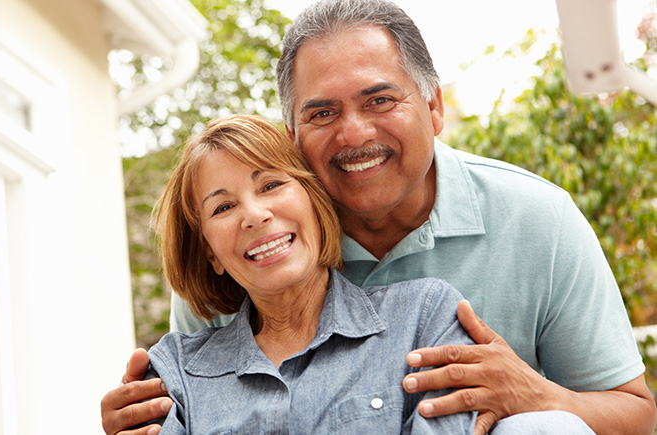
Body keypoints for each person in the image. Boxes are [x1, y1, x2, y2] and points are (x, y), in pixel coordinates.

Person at [101, 1, 656, 434]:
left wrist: (538, 394)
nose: (354, 134)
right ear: (292, 138)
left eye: (379, 100)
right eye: (322, 113)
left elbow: (637, 416)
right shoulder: (261, 245)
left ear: (434, 107)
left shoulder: (536, 219)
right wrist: (142, 417)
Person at [130, 114, 593, 434]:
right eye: (224, 207)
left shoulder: (426, 318)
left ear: (314, 200)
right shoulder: (173, 372)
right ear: (210, 251)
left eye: (271, 184)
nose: (254, 215)